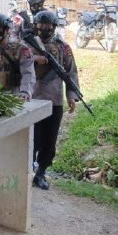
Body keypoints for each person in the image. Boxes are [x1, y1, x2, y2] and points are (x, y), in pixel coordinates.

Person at [31, 11, 79, 190]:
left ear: (54, 26)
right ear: (36, 26)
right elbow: (16, 64)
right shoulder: (26, 45)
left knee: (49, 141)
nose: (45, 29)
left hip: (54, 100)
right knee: (31, 139)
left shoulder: (63, 47)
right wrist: (34, 58)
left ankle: (41, 173)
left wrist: (71, 96)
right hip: (32, 99)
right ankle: (27, 169)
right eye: (41, 25)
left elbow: (71, 72)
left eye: (49, 25)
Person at [0, 13, 36, 102]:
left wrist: (25, 92)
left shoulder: (20, 50)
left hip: (14, 97)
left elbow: (28, 72)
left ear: (6, 30)